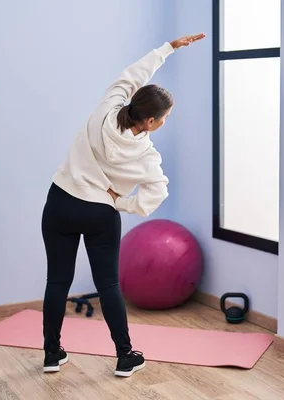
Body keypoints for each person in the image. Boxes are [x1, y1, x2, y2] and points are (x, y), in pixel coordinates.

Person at [40, 33, 206, 377]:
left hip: (59, 202)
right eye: (164, 118)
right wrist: (123, 205)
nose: (164, 122)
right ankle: (124, 356)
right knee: (109, 286)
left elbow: (133, 75)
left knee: (57, 282)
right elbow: (156, 193)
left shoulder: (107, 108)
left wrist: (167, 49)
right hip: (99, 211)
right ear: (149, 122)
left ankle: (52, 354)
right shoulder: (146, 155)